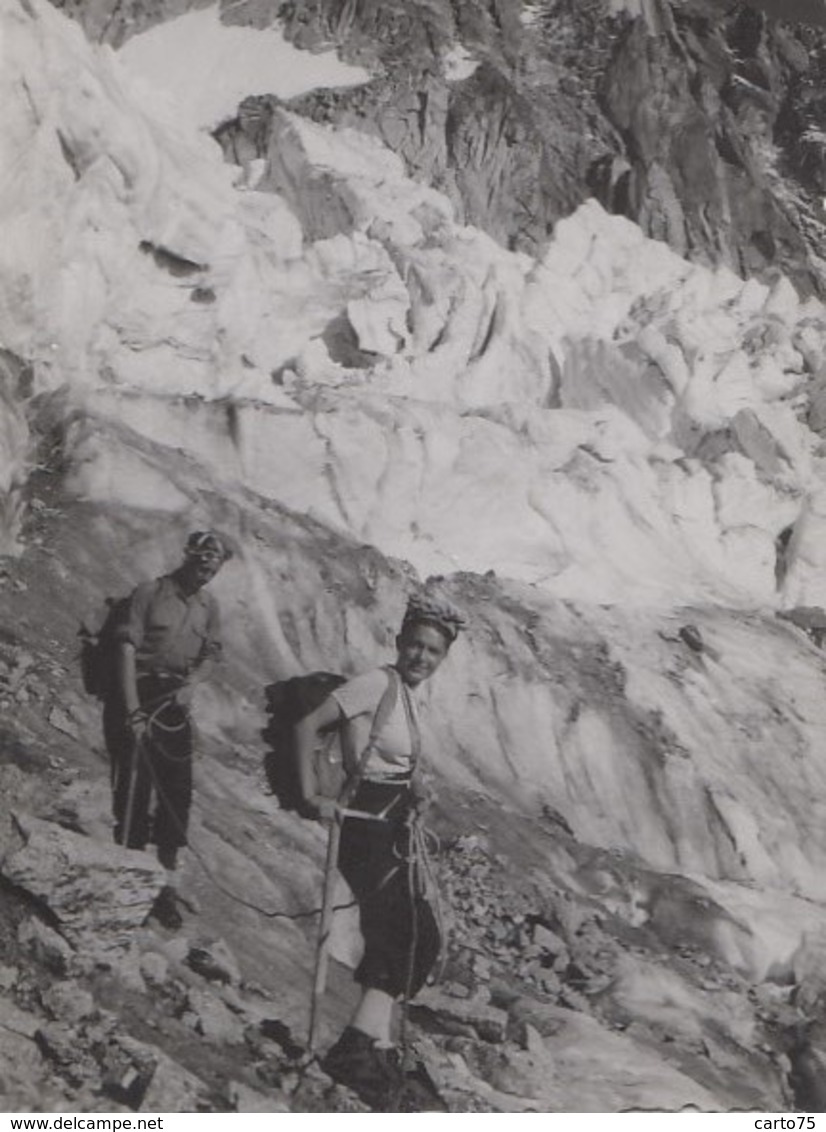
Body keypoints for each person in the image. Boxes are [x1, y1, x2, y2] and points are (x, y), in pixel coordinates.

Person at [294, 590, 466, 1107]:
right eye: (415, 646)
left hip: (392, 821)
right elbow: (309, 726)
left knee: (419, 936)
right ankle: (358, 1048)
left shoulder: (409, 696)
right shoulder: (374, 684)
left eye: (432, 651)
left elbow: (390, 758)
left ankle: (379, 1044)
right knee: (401, 932)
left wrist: (414, 788)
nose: (421, 657)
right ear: (398, 641)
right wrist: (310, 795)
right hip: (365, 822)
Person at [102, 530, 232, 928]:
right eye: (204, 557)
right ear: (189, 554)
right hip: (136, 691)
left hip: (174, 699)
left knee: (177, 789)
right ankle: (128, 880)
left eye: (216, 562)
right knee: (134, 789)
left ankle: (161, 885)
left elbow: (212, 654)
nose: (208, 566)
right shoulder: (150, 593)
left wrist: (193, 683)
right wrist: (132, 711)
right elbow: (125, 650)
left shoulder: (209, 606)